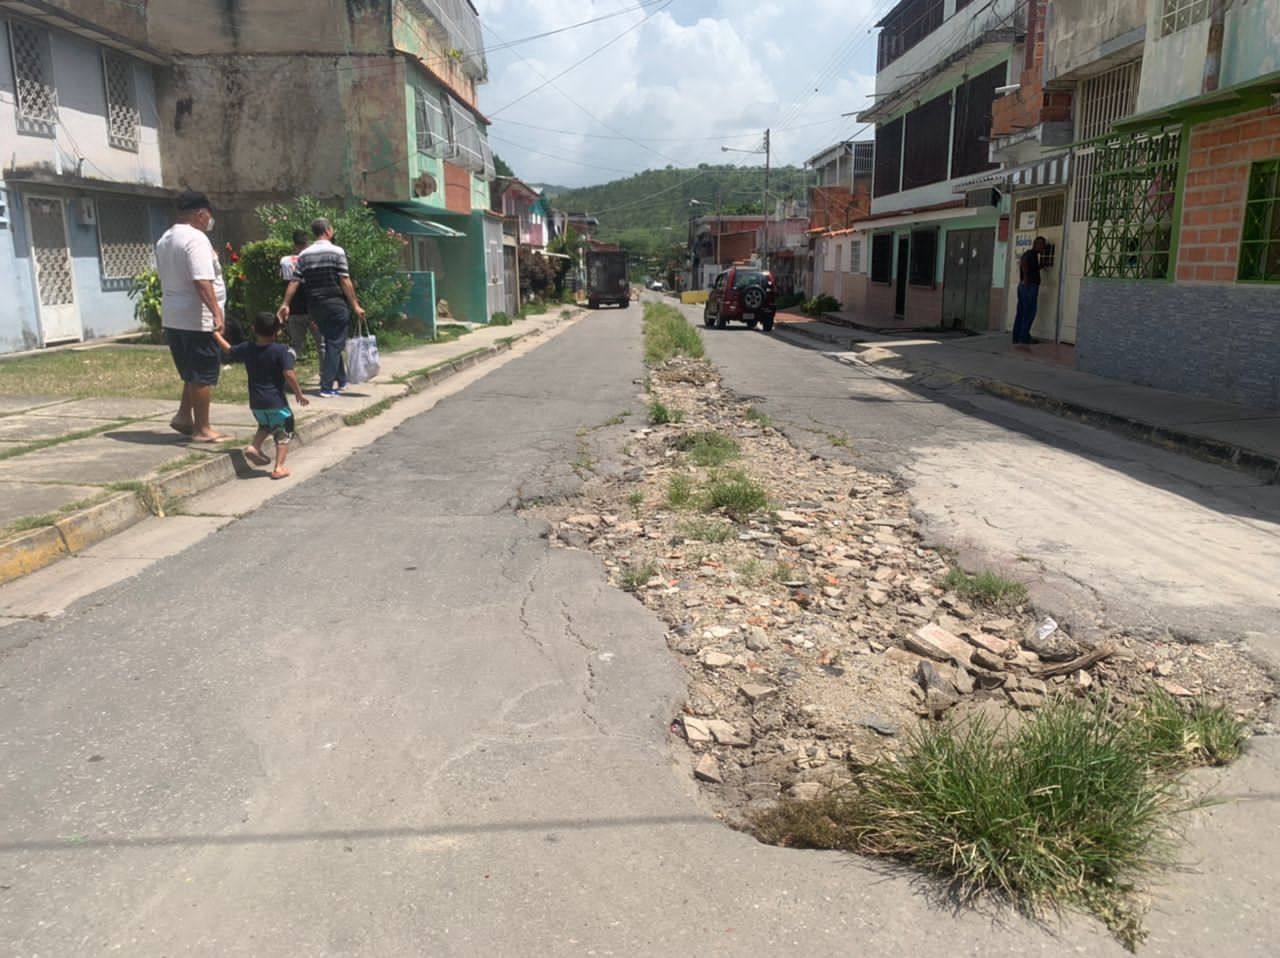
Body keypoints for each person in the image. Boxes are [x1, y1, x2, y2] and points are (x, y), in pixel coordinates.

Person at [155, 190, 229, 442]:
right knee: (203, 375)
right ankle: (203, 428)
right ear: (200, 214)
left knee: (191, 372)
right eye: (208, 214)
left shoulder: (166, 238)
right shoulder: (196, 238)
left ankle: (184, 416)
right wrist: (216, 313)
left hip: (175, 316)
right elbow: (201, 280)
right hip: (196, 318)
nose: (210, 219)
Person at [278, 217, 363, 398]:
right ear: (327, 230)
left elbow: (295, 280)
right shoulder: (337, 252)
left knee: (332, 341)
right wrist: (355, 304)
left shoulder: (305, 255)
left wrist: (285, 303)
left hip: (315, 306)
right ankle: (326, 385)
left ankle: (341, 379)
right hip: (334, 302)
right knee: (334, 343)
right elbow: (344, 279)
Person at [223, 311, 310, 480]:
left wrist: (215, 334)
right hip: (275, 402)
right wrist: (298, 393)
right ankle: (279, 467)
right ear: (277, 332)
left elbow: (228, 349)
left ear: (254, 329)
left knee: (266, 424)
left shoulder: (248, 348)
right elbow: (288, 373)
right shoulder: (280, 350)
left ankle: (255, 447)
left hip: (256, 403)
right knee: (284, 430)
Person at [280, 229, 322, 363]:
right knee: (322, 344)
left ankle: (287, 369)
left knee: (296, 345)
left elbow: (283, 280)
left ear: (294, 244)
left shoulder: (285, 261)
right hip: (313, 309)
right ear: (308, 242)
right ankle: (325, 376)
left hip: (294, 310)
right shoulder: (312, 258)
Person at [1012, 236, 1048, 346]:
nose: (1043, 248)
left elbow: (1032, 267)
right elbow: (1023, 263)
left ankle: (1017, 336)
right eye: (1042, 245)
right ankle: (1024, 337)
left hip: (1025, 287)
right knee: (1029, 312)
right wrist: (1026, 278)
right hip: (1029, 287)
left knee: (1022, 312)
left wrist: (1041, 266)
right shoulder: (1030, 254)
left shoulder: (1033, 256)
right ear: (1036, 244)